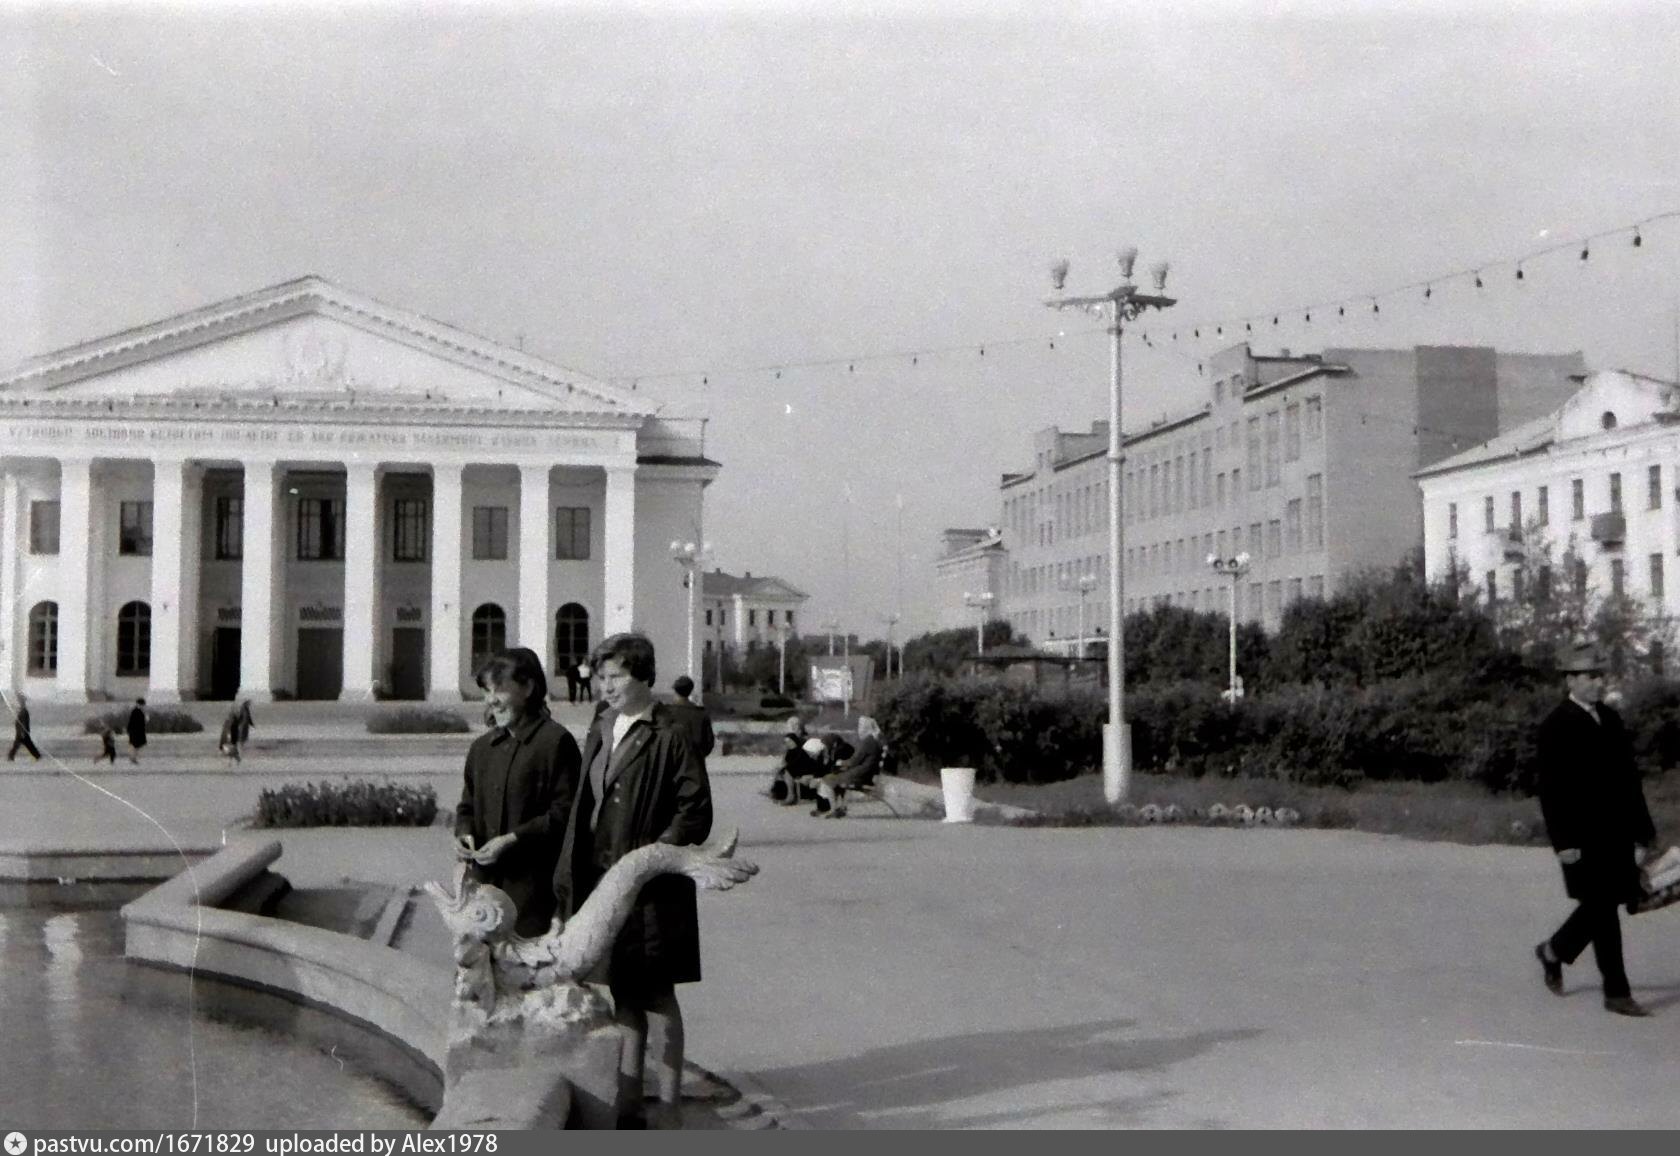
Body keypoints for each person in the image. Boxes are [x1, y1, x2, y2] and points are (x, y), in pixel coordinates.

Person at [553, 632, 711, 1130]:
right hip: (604, 883)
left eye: (616, 676)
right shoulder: (601, 725)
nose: (606, 685)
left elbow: (696, 812)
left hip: (652, 887)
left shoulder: (670, 732)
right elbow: (585, 804)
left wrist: (650, 857)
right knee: (621, 991)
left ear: (645, 676)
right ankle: (627, 1105)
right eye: (601, 676)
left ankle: (667, 1108)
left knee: (658, 995)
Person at [1534, 642, 1660, 1018]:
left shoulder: (1610, 718)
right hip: (1582, 836)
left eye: (1600, 675)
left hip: (1617, 832)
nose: (1598, 683)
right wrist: (1564, 842)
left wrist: (1644, 832)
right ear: (1570, 680)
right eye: (1590, 676)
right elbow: (1551, 790)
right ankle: (1617, 993)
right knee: (1604, 908)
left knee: (1604, 904)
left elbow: (1629, 780)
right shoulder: (1556, 725)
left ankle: (1553, 951)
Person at [455, 647, 583, 937]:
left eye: (499, 690)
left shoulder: (555, 742)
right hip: (483, 889)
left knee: (528, 978)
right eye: (487, 691)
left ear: (528, 688)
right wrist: (464, 834)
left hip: (534, 893)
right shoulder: (482, 748)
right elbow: (467, 805)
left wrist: (513, 839)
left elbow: (566, 813)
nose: (491, 701)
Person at [814, 715, 884, 819]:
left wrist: (841, 762)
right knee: (836, 777)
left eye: (860, 726)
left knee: (826, 780)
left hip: (861, 774)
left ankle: (833, 810)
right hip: (865, 772)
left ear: (865, 728)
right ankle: (841, 808)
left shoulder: (867, 742)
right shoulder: (872, 741)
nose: (859, 729)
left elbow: (854, 761)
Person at [771, 715, 821, 805]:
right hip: (806, 765)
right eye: (791, 725)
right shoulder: (799, 739)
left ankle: (790, 795)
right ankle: (779, 792)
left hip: (806, 766)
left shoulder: (796, 739)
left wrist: (785, 765)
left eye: (794, 725)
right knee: (783, 770)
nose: (793, 727)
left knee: (787, 771)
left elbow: (796, 756)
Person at [665, 675, 715, 765]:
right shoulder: (701, 714)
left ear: (675, 691)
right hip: (695, 765)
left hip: (672, 765)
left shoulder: (667, 713)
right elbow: (709, 743)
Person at [8, 694, 40, 761]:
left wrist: (23, 732)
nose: (18, 703)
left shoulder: (24, 711)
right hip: (21, 732)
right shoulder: (22, 710)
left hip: (22, 732)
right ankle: (37, 755)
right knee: (26, 744)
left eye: (19, 702)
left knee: (23, 744)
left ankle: (11, 756)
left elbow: (24, 723)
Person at [125, 698, 148, 765]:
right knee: (136, 745)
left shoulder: (137, 710)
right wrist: (145, 719)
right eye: (142, 704)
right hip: (136, 731)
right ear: (139, 704)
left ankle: (132, 757)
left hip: (136, 731)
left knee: (136, 745)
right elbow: (137, 722)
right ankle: (133, 758)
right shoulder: (136, 711)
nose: (143, 706)